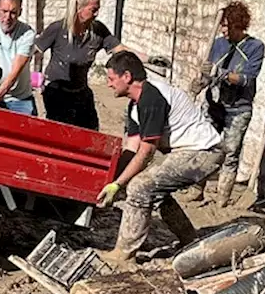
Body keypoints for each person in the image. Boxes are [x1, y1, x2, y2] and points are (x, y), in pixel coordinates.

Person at [95, 51, 224, 270]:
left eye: (111, 78)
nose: (108, 84)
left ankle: (124, 253)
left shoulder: (151, 98)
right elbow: (132, 147)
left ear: (126, 76)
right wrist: (111, 177)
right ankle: (190, 240)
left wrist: (120, 184)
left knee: (140, 187)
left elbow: (146, 152)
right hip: (187, 151)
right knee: (154, 191)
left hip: (203, 152)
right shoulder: (135, 105)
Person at [191, 1, 265, 207]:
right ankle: (197, 189)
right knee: (204, 147)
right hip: (214, 104)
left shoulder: (254, 47)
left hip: (238, 108)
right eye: (222, 25)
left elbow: (246, 79)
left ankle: (222, 197)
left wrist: (219, 73)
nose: (223, 31)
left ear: (239, 25)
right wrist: (201, 81)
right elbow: (209, 76)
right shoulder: (218, 44)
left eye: (227, 26)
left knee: (230, 153)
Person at [34, 0, 125, 130]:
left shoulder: (98, 31)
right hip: (57, 92)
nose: (96, 14)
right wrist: (32, 77)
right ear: (79, 8)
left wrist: (149, 60)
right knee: (61, 134)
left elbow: (122, 51)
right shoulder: (58, 29)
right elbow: (33, 51)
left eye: (98, 9)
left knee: (91, 133)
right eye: (93, 10)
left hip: (81, 92)